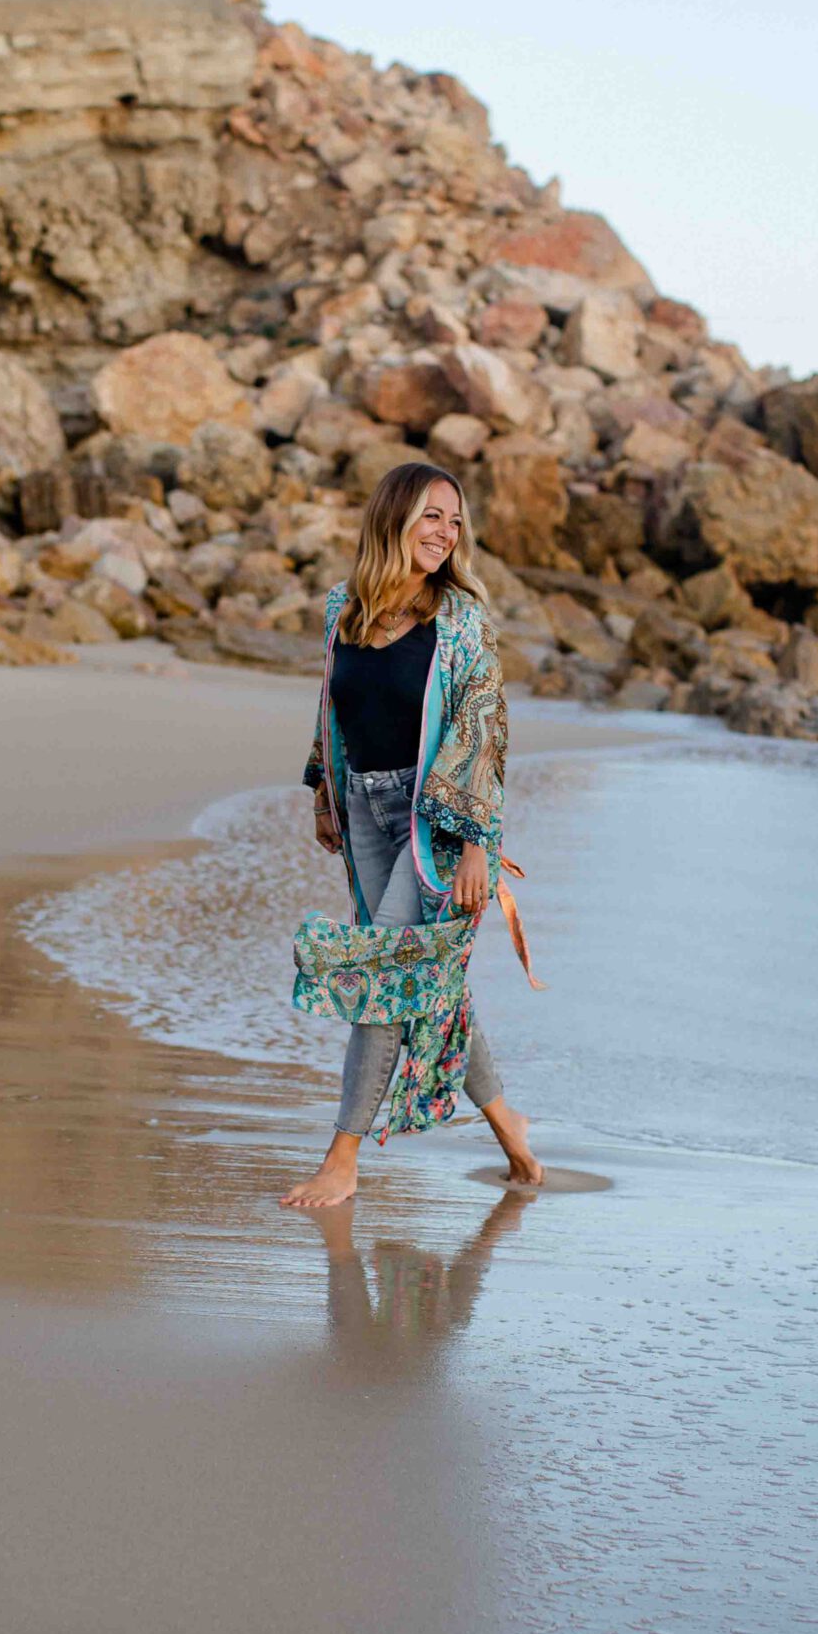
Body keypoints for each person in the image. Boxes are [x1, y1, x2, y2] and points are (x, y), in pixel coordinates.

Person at [282, 463, 545, 1208]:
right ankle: (508, 1121)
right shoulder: (344, 608)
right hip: (363, 809)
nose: (446, 532)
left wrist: (476, 844)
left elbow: (484, 730)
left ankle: (342, 1160)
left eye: (455, 521)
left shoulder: (460, 619)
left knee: (386, 978)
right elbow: (333, 703)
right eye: (433, 515)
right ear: (393, 517)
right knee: (427, 980)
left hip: (435, 823)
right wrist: (323, 791)